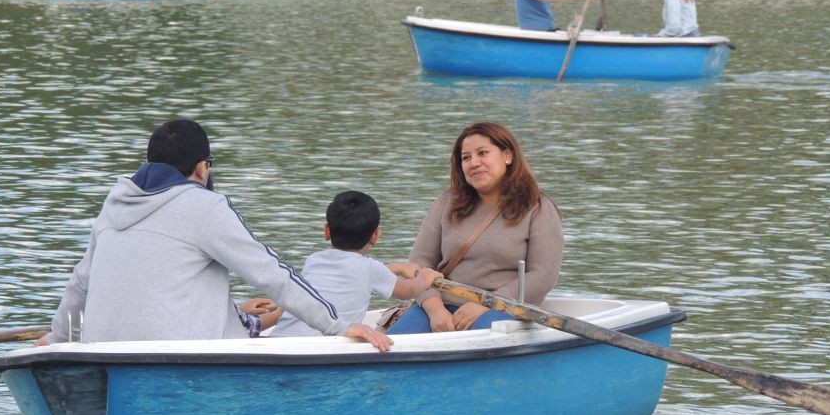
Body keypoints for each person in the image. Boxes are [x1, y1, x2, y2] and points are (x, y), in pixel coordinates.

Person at [39, 119, 392, 351]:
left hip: (104, 355)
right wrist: (338, 325)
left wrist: (58, 341)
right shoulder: (205, 206)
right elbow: (270, 272)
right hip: (182, 361)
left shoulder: (112, 206)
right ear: (202, 168)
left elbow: (79, 286)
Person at [387, 122, 564, 335]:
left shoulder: (537, 207)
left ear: (507, 156)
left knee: (472, 345)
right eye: (466, 158)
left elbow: (543, 274)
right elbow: (419, 263)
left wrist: (487, 303)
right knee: (392, 345)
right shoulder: (447, 202)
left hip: (503, 308)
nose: (474, 163)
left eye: (482, 153)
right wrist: (435, 309)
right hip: (441, 303)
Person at [269, 191, 443, 337]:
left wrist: (397, 268)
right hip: (320, 346)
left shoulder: (313, 260)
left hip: (281, 337)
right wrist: (425, 278)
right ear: (375, 237)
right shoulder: (370, 270)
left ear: (327, 231)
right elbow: (408, 291)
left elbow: (349, 274)